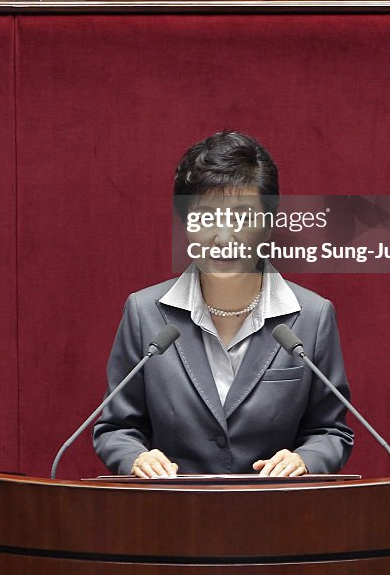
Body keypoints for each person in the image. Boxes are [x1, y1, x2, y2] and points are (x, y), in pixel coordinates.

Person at [93, 131, 354, 477]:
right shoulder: (145, 313)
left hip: (279, 516)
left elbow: (330, 431)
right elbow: (115, 428)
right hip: (171, 516)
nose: (225, 236)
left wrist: (306, 459)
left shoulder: (312, 316)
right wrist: (136, 458)